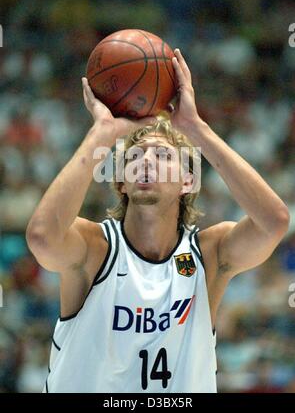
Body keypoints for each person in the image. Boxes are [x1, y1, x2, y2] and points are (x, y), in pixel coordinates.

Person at [26, 49, 289, 393]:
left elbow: (274, 222)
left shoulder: (208, 256)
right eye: (135, 156)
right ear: (121, 180)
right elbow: (43, 238)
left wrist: (197, 128)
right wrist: (102, 134)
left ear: (188, 181)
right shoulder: (95, 249)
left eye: (163, 154)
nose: (147, 161)